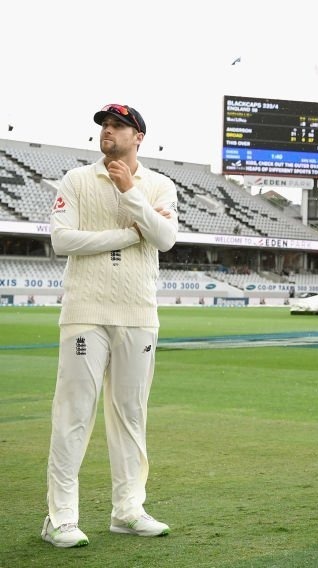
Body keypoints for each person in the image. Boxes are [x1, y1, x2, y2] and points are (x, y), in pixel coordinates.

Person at [43, 104, 178, 548]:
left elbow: (164, 239)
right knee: (73, 415)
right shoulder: (78, 181)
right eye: (104, 124)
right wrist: (124, 236)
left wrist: (130, 193)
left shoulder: (160, 185)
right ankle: (60, 518)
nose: (108, 131)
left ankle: (128, 510)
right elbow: (62, 241)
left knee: (131, 417)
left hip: (138, 315)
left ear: (138, 136)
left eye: (118, 125)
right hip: (85, 311)